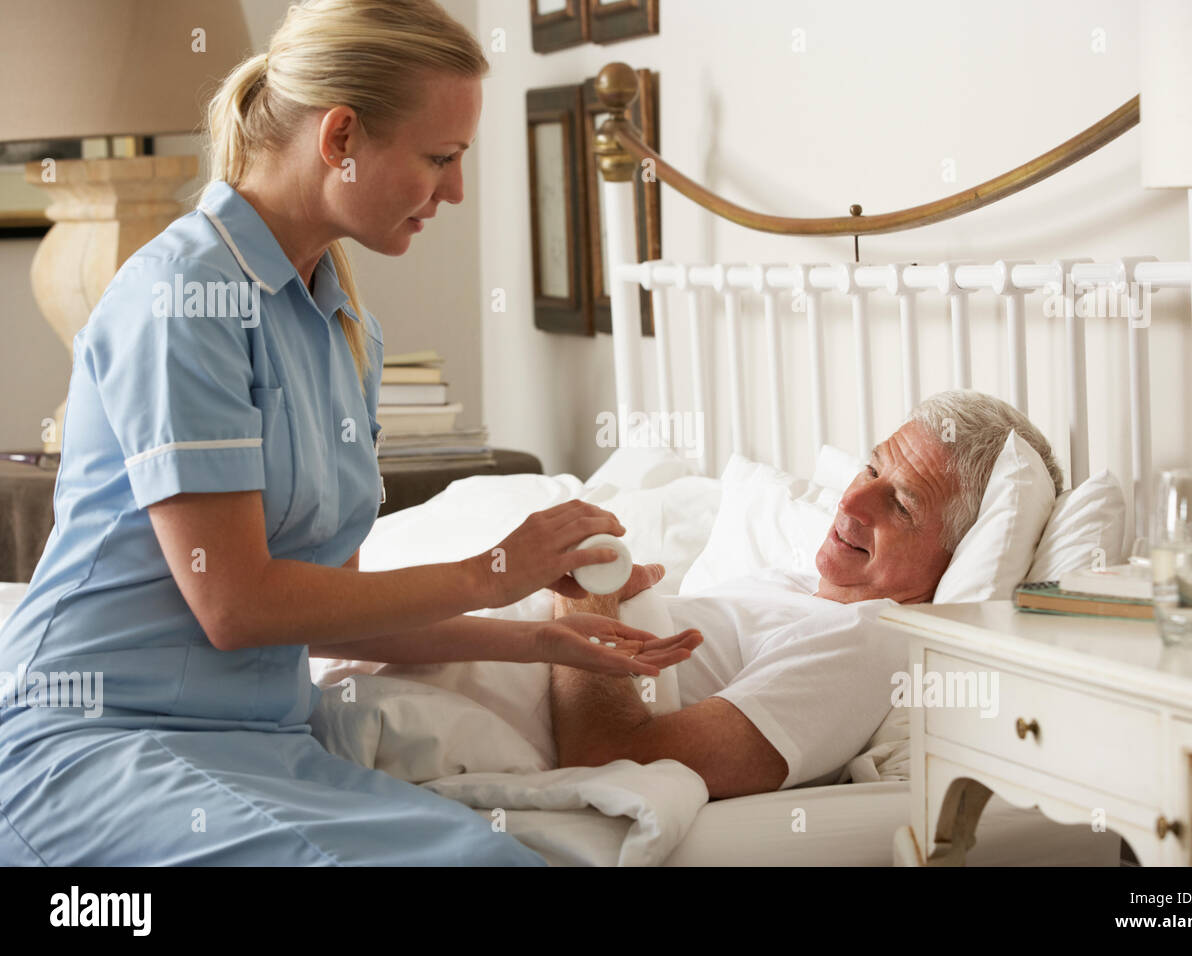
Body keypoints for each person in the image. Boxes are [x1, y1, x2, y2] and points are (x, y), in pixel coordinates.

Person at [0, 0, 699, 867]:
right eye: (439, 158)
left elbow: (335, 611)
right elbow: (238, 605)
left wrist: (536, 639)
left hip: (260, 750)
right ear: (340, 140)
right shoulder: (183, 299)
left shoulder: (343, 331)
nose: (455, 191)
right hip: (96, 747)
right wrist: (491, 571)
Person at [548, 390, 1064, 800]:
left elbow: (607, 760)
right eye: (872, 468)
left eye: (902, 506)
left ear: (954, 558)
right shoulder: (789, 585)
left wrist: (586, 594)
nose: (853, 499)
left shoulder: (866, 643)